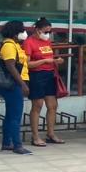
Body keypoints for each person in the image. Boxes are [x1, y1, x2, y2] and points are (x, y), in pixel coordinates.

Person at [24, 17, 65, 147]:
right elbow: (27, 64)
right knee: (37, 105)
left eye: (49, 31)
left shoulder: (47, 42)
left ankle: (51, 133)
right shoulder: (29, 42)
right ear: (37, 30)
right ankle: (35, 136)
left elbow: (49, 57)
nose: (48, 34)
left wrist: (56, 60)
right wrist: (44, 61)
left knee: (52, 105)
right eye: (45, 31)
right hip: (36, 75)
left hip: (50, 74)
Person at [0, 20, 31, 155]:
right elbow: (10, 66)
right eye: (22, 30)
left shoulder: (14, 45)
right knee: (15, 115)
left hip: (15, 83)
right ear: (15, 32)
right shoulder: (9, 46)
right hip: (13, 84)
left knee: (11, 114)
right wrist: (22, 84)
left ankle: (7, 143)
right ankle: (17, 145)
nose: (24, 33)